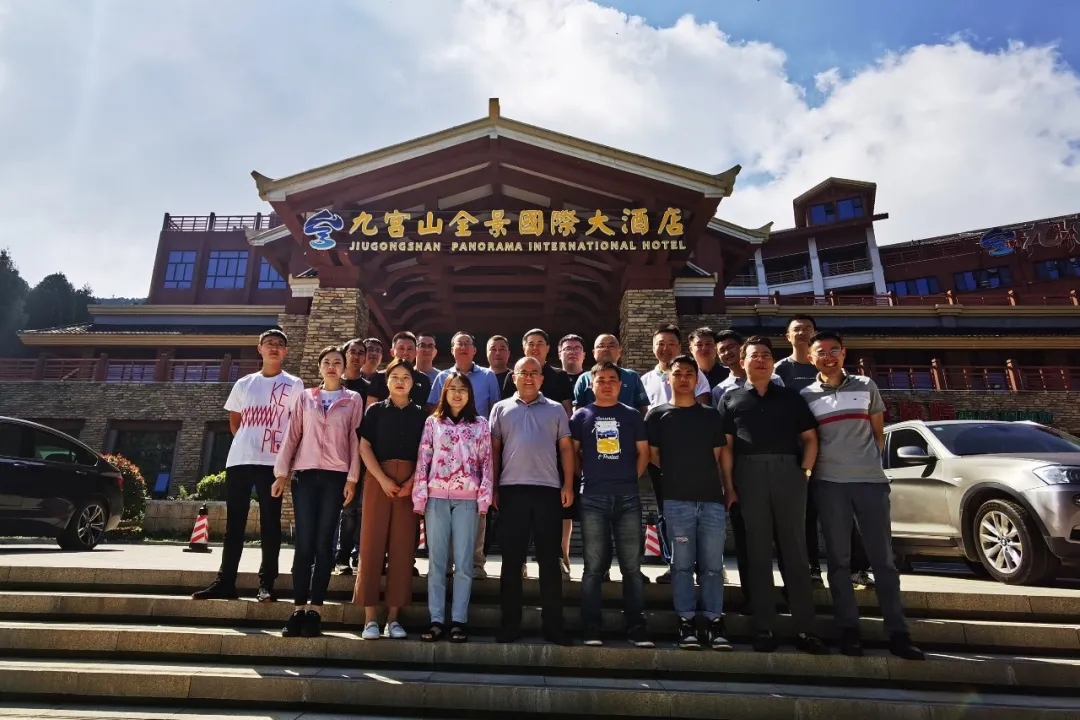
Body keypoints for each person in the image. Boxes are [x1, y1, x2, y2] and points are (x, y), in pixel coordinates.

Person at [801, 331, 924, 660]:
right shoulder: (806, 395)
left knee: (883, 560)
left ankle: (898, 632)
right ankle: (848, 630)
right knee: (838, 561)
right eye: (820, 352)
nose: (828, 356)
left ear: (844, 353)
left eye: (834, 350)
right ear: (810, 358)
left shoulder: (866, 385)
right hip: (829, 484)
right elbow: (810, 440)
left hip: (870, 482)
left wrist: (868, 465)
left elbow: (877, 433)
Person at [718, 336, 829, 655]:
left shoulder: (791, 397)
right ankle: (763, 627)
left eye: (766, 355)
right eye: (754, 355)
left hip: (789, 473)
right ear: (742, 362)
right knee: (757, 551)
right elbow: (726, 448)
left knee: (795, 551)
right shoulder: (731, 398)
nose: (761, 360)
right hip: (748, 475)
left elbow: (810, 438)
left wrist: (804, 473)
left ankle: (806, 628)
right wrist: (729, 486)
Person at [192, 329, 303, 602]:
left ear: (285, 351)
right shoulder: (244, 383)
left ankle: (266, 584)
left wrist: (284, 466)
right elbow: (235, 421)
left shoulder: (293, 384)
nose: (274, 347)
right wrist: (248, 443)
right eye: (269, 343)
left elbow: (296, 427)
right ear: (259, 348)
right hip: (239, 460)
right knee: (235, 524)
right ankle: (225, 581)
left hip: (272, 464)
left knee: (270, 524)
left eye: (279, 344)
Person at [272, 346, 364, 637]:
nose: (332, 366)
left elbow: (355, 440)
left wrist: (352, 479)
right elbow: (292, 434)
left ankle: (315, 610)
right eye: (327, 362)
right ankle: (298, 609)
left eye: (337, 362)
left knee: (325, 543)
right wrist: (281, 473)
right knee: (304, 543)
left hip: (336, 477)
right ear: (320, 367)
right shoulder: (305, 397)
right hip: (306, 475)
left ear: (344, 367)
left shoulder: (353, 399)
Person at [645, 355, 731, 651]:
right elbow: (653, 455)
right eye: (677, 374)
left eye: (689, 374)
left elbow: (719, 455)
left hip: (711, 500)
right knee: (681, 565)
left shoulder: (710, 415)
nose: (683, 379)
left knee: (712, 566)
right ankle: (686, 621)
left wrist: (727, 488)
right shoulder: (657, 416)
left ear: (697, 379)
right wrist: (677, 471)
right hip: (676, 501)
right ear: (668, 378)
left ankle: (714, 620)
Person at [490, 357, 574, 645]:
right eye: (523, 373)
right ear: (513, 377)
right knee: (512, 561)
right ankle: (509, 625)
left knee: (549, 561)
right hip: (511, 490)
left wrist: (568, 484)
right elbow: (494, 450)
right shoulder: (500, 409)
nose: (528, 377)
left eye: (534, 373)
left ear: (542, 378)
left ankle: (553, 626)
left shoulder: (555, 409)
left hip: (548, 490)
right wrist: (493, 487)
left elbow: (566, 449)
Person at [572, 361, 651, 648]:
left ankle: (636, 625)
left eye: (612, 380)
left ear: (620, 384)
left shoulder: (631, 415)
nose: (606, 384)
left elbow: (643, 452)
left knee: (631, 566)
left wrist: (631, 477)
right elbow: (574, 453)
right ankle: (591, 625)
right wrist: (586, 477)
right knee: (593, 567)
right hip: (593, 498)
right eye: (601, 379)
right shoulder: (581, 415)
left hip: (628, 498)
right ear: (591, 384)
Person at [412, 372, 494, 644]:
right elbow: (423, 459)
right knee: (436, 563)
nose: (457, 394)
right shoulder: (432, 422)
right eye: (452, 389)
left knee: (464, 563)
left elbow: (486, 463)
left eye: (463, 389)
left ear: (470, 394)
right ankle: (436, 620)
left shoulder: (480, 425)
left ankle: (458, 621)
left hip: (468, 500)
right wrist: (420, 496)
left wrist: (484, 498)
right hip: (436, 498)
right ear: (444, 393)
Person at [355, 359, 427, 640]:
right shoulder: (374, 411)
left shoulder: (422, 415)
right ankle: (369, 618)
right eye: (394, 376)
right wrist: (383, 479)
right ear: (387, 381)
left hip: (410, 481)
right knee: (371, 545)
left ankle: (394, 618)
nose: (400, 381)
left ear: (413, 382)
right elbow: (364, 446)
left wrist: (412, 482)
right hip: (378, 478)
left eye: (405, 377)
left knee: (403, 548)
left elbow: (427, 451)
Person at [640, 324, 710, 583]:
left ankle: (704, 564)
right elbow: (643, 419)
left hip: (692, 457)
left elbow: (702, 410)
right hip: (658, 457)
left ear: (679, 347)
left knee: (697, 511)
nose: (665, 348)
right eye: (660, 343)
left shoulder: (695, 375)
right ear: (653, 347)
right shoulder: (645, 380)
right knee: (666, 511)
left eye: (671, 343)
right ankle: (674, 565)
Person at [334, 338, 372, 575]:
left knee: (359, 508)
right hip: (336, 453)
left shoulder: (370, 387)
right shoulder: (334, 385)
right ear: (344, 354)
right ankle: (340, 557)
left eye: (360, 352)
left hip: (362, 453)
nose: (356, 356)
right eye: (352, 352)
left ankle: (358, 555)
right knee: (344, 508)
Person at [366, 331, 433, 409]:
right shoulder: (379, 377)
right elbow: (370, 409)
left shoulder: (423, 380)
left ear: (416, 353)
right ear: (392, 352)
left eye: (410, 349)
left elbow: (427, 410)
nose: (405, 353)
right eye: (401, 348)